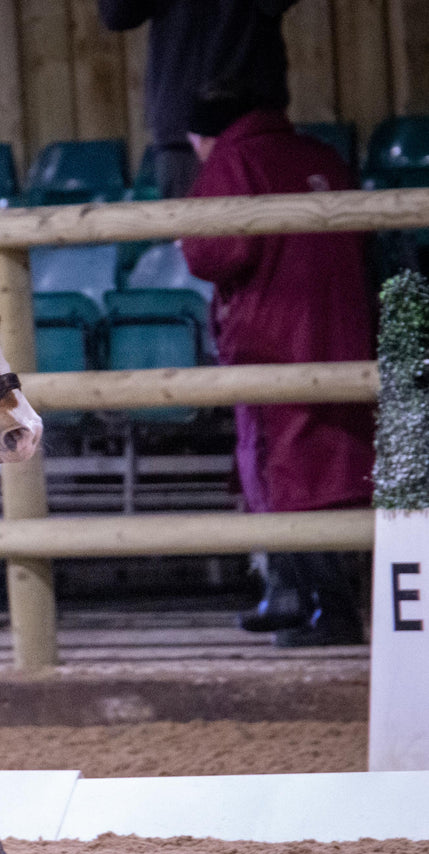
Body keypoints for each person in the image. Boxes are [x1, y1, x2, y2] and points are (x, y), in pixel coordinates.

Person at [179, 86, 376, 647]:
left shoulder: (233, 160)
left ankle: (329, 610)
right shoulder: (320, 155)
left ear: (203, 137)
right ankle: (297, 598)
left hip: (274, 338)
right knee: (332, 465)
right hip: (345, 330)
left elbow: (212, 254)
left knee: (282, 471)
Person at [97, 0, 300, 199]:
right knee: (190, 227)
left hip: (251, 121)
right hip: (180, 125)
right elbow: (118, 15)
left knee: (263, 225)